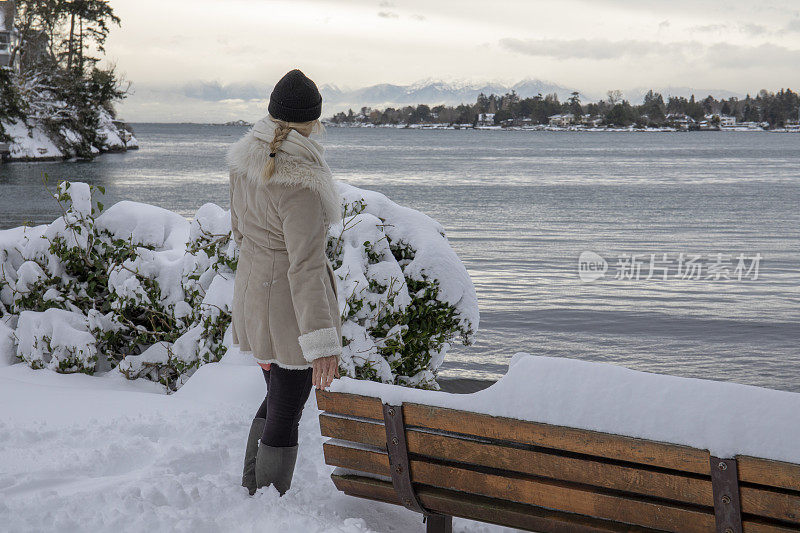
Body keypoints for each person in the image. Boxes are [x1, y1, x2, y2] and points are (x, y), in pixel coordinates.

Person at [226, 69, 343, 496]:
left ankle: (251, 489)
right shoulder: (302, 183)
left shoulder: (245, 160)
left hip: (253, 302)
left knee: (278, 399)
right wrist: (323, 343)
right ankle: (266, 501)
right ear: (313, 122)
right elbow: (306, 267)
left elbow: (239, 232)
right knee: (287, 410)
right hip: (290, 316)